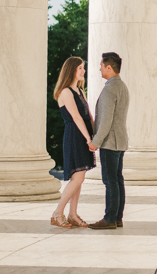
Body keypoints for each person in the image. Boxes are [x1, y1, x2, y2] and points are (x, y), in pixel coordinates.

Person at [50, 57, 97, 228]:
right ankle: (57, 213)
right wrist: (88, 138)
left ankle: (72, 214)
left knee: (80, 177)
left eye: (83, 67)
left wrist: (96, 135)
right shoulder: (65, 92)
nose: (83, 71)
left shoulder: (80, 91)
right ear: (71, 70)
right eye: (80, 68)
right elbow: (76, 117)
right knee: (78, 177)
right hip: (75, 135)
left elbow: (88, 116)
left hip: (84, 134)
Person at [88, 52, 129, 230]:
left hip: (110, 142)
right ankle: (117, 217)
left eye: (101, 65)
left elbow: (106, 120)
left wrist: (96, 141)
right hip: (120, 140)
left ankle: (110, 218)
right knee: (117, 180)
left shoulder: (110, 89)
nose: (100, 68)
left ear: (109, 67)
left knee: (110, 181)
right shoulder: (122, 87)